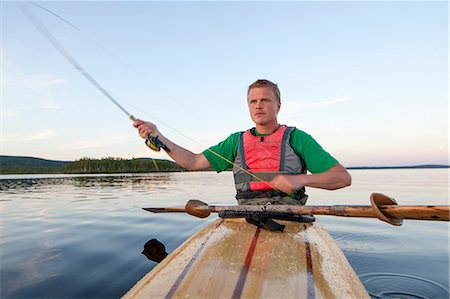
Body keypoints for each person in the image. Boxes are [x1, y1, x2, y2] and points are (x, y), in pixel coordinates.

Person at [133, 79, 351, 206]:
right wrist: (158, 136)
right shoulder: (235, 141)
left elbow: (342, 178)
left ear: (278, 105)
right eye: (253, 101)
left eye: (265, 100)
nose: (258, 106)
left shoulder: (297, 138)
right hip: (246, 213)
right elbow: (192, 161)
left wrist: (299, 180)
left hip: (290, 214)